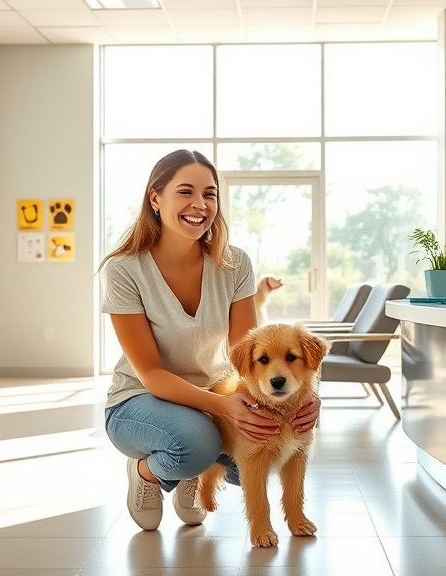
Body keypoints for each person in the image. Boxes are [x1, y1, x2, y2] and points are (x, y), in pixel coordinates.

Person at [99, 149, 321, 531]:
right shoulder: (124, 269)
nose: (199, 205)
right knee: (198, 442)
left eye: (210, 194)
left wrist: (307, 399)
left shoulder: (234, 264)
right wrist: (225, 408)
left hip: (215, 393)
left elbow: (250, 353)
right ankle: (148, 473)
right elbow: (151, 373)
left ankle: (192, 467)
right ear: (155, 197)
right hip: (138, 400)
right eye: (185, 192)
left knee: (272, 438)